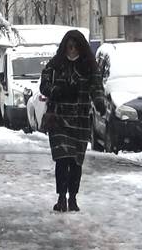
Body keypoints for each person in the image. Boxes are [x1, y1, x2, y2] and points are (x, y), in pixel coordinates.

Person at [39, 30, 106, 212]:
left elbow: (97, 87)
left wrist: (100, 102)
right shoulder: (55, 65)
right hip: (59, 118)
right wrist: (57, 91)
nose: (72, 50)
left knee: (76, 161)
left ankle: (73, 197)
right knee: (62, 159)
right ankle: (61, 197)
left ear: (81, 47)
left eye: (75, 46)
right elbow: (43, 85)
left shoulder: (89, 67)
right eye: (69, 46)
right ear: (64, 47)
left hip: (80, 119)